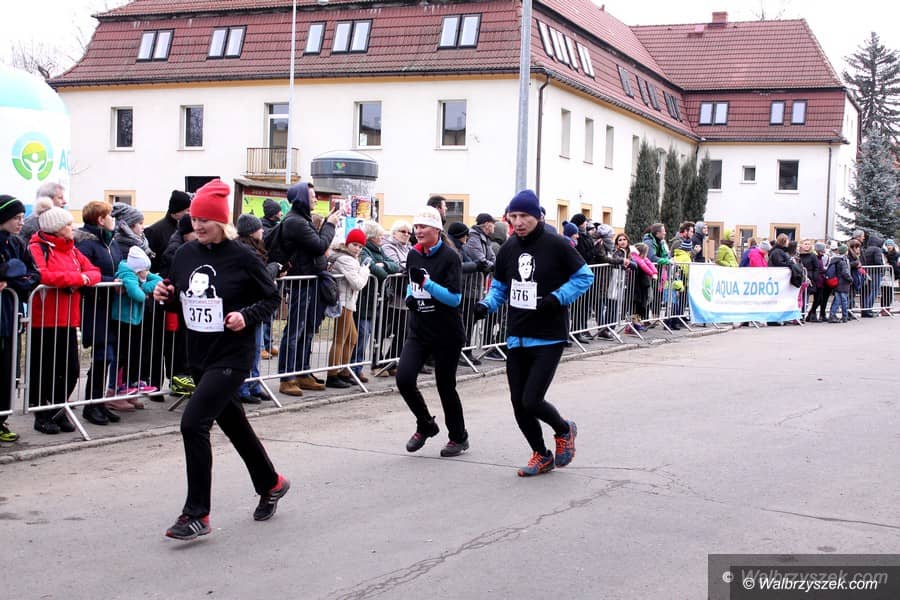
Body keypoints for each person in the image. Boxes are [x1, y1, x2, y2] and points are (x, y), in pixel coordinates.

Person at [153, 179, 288, 540]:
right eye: (195, 219)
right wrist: (164, 294)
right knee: (234, 424)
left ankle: (197, 513)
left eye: (205, 221)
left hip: (232, 355)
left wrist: (246, 315)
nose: (197, 226)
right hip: (198, 353)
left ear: (221, 222)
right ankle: (271, 482)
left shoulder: (242, 256)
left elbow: (271, 298)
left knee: (193, 424)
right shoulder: (185, 254)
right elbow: (178, 297)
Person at [475, 190, 592, 477]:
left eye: (524, 216)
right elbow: (500, 288)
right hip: (517, 333)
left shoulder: (557, 244)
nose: (518, 222)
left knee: (532, 399)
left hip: (549, 334)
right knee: (518, 403)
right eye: (513, 217)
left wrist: (557, 298)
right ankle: (541, 454)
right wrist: (486, 305)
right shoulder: (508, 248)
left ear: (537, 216)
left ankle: (563, 430)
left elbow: (584, 277)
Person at [397, 206, 469, 458]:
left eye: (423, 226)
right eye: (416, 227)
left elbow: (454, 298)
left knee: (445, 386)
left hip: (446, 331)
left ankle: (458, 437)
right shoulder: (414, 254)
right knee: (404, 379)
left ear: (437, 229)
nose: (418, 231)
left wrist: (427, 284)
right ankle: (426, 424)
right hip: (419, 329)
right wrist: (410, 296)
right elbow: (411, 282)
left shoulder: (450, 257)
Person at [29, 207, 102, 434]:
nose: (72, 228)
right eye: (68, 225)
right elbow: (42, 275)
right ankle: (42, 415)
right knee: (45, 370)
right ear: (56, 228)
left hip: (69, 318)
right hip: (43, 320)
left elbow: (95, 272)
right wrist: (77, 278)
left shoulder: (72, 250)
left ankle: (58, 409)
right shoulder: (37, 247)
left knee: (70, 370)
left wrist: (82, 279)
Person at [277, 182, 340, 396]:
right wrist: (330, 225)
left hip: (311, 281)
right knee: (295, 330)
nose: (315, 199)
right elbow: (319, 246)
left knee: (308, 329)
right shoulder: (295, 221)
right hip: (300, 283)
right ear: (302, 197)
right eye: (312, 195)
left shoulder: (302, 220)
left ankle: (302, 372)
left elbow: (315, 245)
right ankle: (287, 377)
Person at [74, 200, 127, 422]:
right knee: (102, 354)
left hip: (111, 305)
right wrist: (109, 281)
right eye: (110, 216)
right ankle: (90, 405)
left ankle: (98, 403)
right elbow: (85, 272)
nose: (113, 220)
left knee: (108, 355)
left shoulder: (111, 242)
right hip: (94, 305)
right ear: (100, 219)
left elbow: (120, 266)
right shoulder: (86, 244)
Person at [0, 195, 40, 442]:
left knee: (9, 372)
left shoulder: (16, 243)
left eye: (22, 217)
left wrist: (12, 279)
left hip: (11, 318)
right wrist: (12, 271)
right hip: (3, 316)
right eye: (16, 217)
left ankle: (2, 418)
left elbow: (32, 273)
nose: (20, 222)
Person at [235, 214, 280, 404]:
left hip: (257, 305)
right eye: (259, 228)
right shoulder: (246, 251)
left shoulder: (255, 248)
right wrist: (274, 268)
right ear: (251, 231)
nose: (262, 230)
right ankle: (243, 387)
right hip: (248, 306)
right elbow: (260, 275)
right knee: (250, 349)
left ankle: (254, 384)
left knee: (257, 347)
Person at [112, 247, 163, 397]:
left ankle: (133, 381)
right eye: (144, 271)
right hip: (123, 319)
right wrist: (144, 291)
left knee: (135, 351)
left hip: (134, 319)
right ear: (137, 269)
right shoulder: (127, 274)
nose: (147, 273)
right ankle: (121, 384)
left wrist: (143, 286)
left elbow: (159, 280)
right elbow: (137, 295)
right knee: (123, 353)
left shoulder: (140, 273)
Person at [325, 228, 371, 388]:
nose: (357, 249)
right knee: (340, 339)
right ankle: (332, 374)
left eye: (360, 246)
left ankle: (344, 371)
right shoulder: (346, 259)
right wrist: (365, 271)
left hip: (348, 302)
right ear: (347, 243)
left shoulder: (349, 258)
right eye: (355, 244)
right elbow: (358, 284)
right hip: (344, 302)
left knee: (352, 337)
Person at [354, 221, 400, 380]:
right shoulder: (365, 250)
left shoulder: (379, 250)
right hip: (365, 300)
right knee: (362, 335)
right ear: (372, 236)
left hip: (378, 300)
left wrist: (384, 264)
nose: (382, 238)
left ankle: (360, 368)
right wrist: (384, 269)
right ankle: (355, 369)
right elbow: (376, 272)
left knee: (372, 334)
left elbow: (395, 266)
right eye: (380, 235)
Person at [379, 221, 413, 375]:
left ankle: (391, 362)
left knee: (403, 331)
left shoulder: (409, 248)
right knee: (382, 331)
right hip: (391, 295)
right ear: (394, 232)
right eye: (403, 231)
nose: (406, 235)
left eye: (409, 232)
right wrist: (410, 267)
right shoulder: (387, 246)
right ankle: (377, 362)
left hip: (405, 295)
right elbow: (396, 264)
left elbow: (415, 264)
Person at [145, 190, 192, 273]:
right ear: (177, 212)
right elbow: (149, 262)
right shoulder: (154, 231)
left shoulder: (184, 228)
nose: (190, 214)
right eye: (188, 210)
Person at [861, 232, 886, 317]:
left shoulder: (867, 249)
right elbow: (878, 261)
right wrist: (883, 268)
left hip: (868, 272)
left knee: (868, 292)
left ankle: (865, 309)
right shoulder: (877, 249)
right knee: (874, 291)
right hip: (876, 272)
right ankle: (868, 309)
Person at [827, 245, 852, 323]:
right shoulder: (843, 261)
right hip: (843, 283)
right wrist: (850, 279)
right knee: (844, 300)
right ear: (845, 252)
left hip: (837, 283)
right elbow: (845, 272)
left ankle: (832, 315)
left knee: (837, 300)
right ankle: (844, 316)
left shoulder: (836, 260)